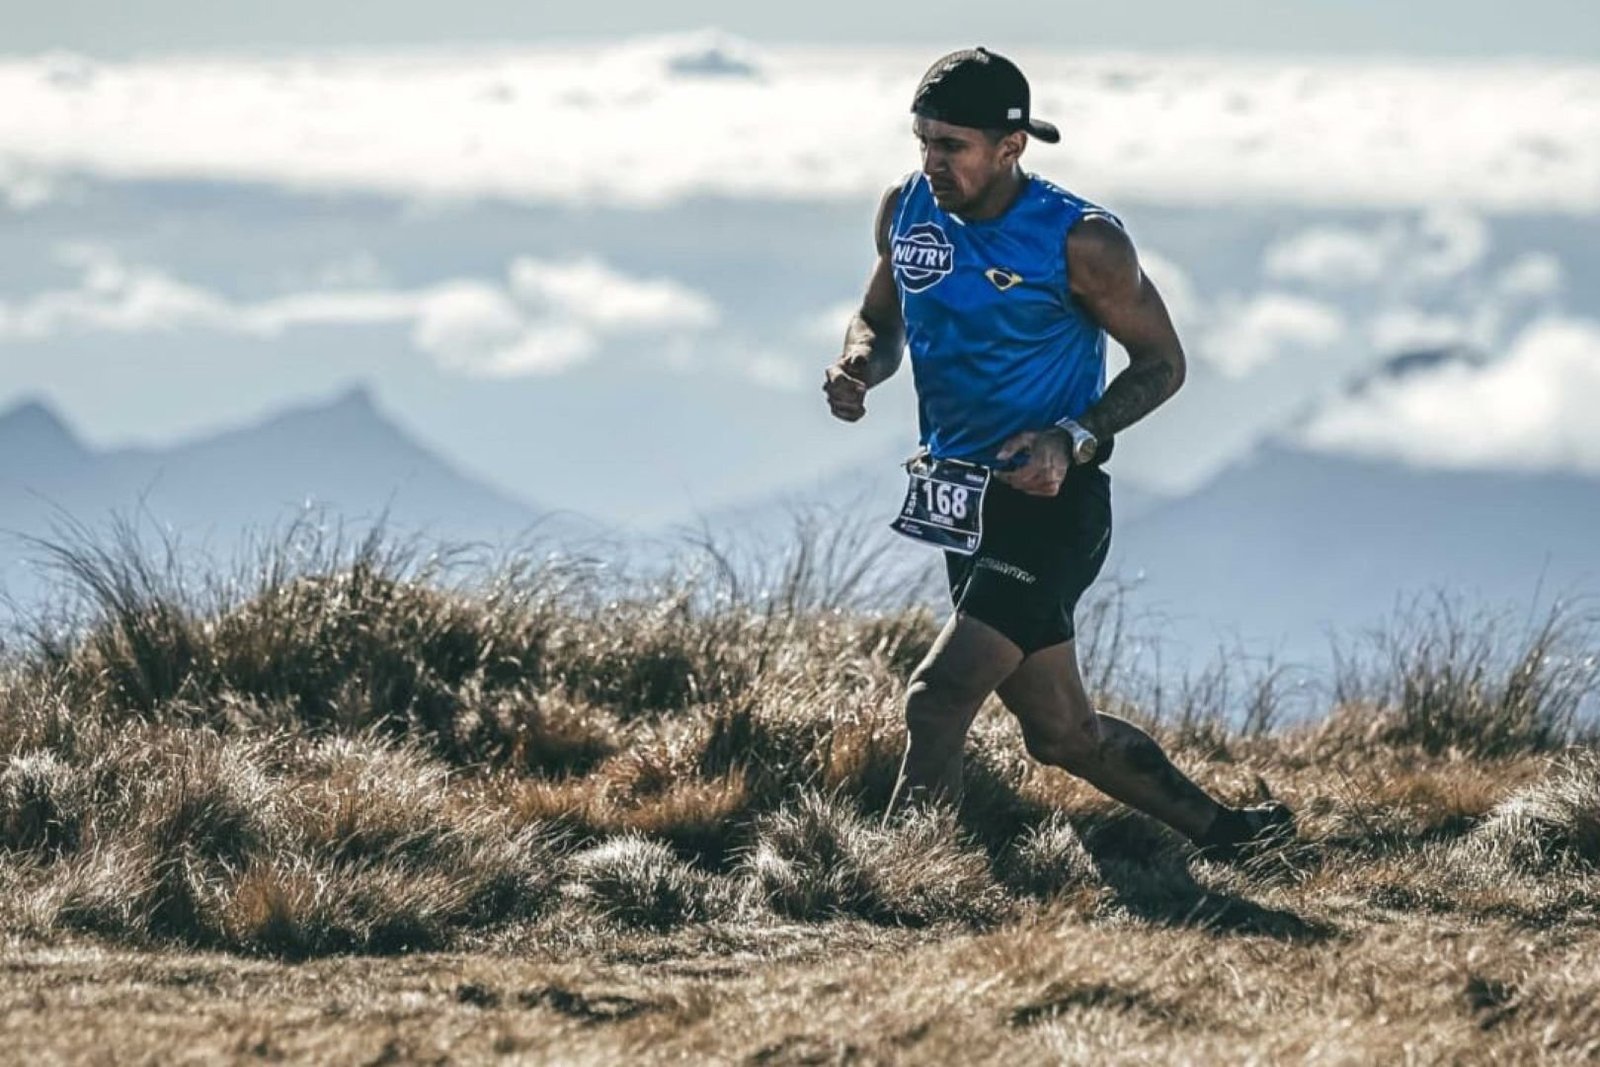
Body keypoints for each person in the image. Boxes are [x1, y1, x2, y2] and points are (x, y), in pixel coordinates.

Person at [822, 46, 1291, 859]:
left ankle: (901, 881)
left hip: (1051, 505)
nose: (931, 162)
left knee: (937, 698)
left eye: (951, 146)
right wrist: (861, 362)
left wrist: (1070, 440)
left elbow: (1163, 365)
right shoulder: (906, 211)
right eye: (923, 141)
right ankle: (1240, 837)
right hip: (961, 500)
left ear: (1011, 148)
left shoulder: (1083, 240)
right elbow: (880, 316)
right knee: (1061, 733)